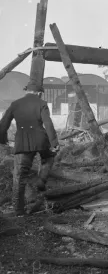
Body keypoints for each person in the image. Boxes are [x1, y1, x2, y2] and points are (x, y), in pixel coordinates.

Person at [0, 82, 59, 216]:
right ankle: (41, 180)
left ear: (27, 91)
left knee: (19, 177)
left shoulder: (15, 104)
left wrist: (2, 140)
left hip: (22, 142)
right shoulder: (42, 103)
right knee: (48, 157)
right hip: (40, 140)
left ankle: (18, 210)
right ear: (38, 93)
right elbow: (48, 124)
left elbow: (3, 123)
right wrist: (54, 143)